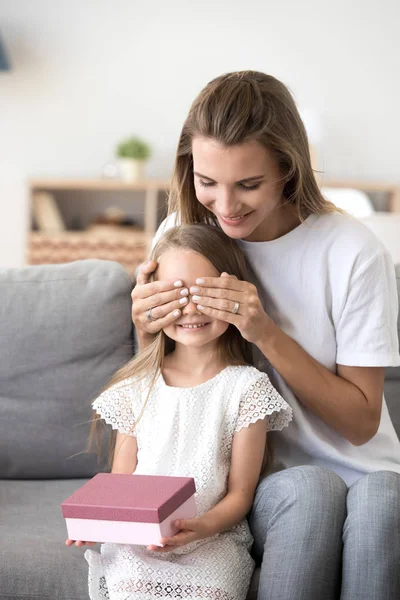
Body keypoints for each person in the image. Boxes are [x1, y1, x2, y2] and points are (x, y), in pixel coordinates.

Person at [131, 71, 400, 600]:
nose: (225, 206)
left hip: (366, 467)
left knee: (384, 502)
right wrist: (146, 331)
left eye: (248, 185)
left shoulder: (351, 251)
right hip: (256, 481)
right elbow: (161, 385)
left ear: (287, 169)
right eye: (208, 181)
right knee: (312, 492)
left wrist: (264, 332)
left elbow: (362, 423)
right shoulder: (181, 235)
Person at [66, 224, 292, 600]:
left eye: (203, 293)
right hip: (141, 542)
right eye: (175, 294)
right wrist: (101, 521)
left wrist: (202, 527)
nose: (189, 308)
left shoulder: (246, 388)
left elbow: (240, 493)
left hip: (212, 540)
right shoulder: (138, 386)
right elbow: (122, 484)